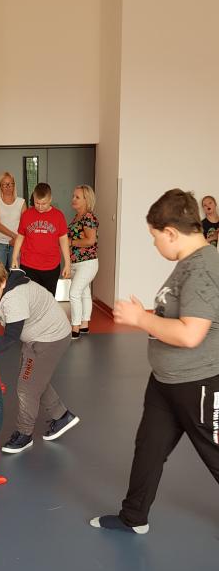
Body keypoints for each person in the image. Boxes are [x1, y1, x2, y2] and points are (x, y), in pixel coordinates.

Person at [90, 188, 219, 535]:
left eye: (155, 236)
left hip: (199, 383)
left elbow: (191, 334)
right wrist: (147, 319)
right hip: (166, 381)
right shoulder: (188, 264)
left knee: (214, 453)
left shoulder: (203, 269)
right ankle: (134, 517)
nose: (154, 243)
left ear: (171, 233)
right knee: (149, 448)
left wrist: (140, 319)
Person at [0, 255, 79, 454]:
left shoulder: (14, 297)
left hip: (51, 338)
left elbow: (10, 338)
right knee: (35, 379)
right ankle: (62, 416)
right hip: (36, 337)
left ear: (2, 282)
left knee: (26, 387)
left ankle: (24, 434)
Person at [11, 182, 71, 295]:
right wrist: (14, 257)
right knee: (30, 298)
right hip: (29, 265)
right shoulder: (26, 215)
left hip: (51, 266)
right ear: (33, 198)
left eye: (44, 203)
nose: (40, 207)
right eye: (37, 203)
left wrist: (68, 263)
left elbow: (63, 240)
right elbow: (20, 237)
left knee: (48, 299)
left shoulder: (58, 216)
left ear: (50, 199)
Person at [67, 185, 99, 338]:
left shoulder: (88, 217)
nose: (73, 199)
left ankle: (75, 327)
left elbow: (90, 241)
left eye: (77, 197)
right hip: (76, 262)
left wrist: (70, 242)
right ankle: (84, 325)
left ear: (87, 200)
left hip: (87, 262)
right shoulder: (77, 217)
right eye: (73, 196)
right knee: (85, 293)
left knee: (74, 293)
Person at [0, 172, 26, 268]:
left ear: (14, 185)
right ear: (0, 186)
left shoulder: (21, 202)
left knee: (15, 273)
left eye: (11, 184)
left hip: (16, 244)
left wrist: (17, 240)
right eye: (5, 184)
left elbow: (24, 224)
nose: (8, 186)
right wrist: (15, 236)